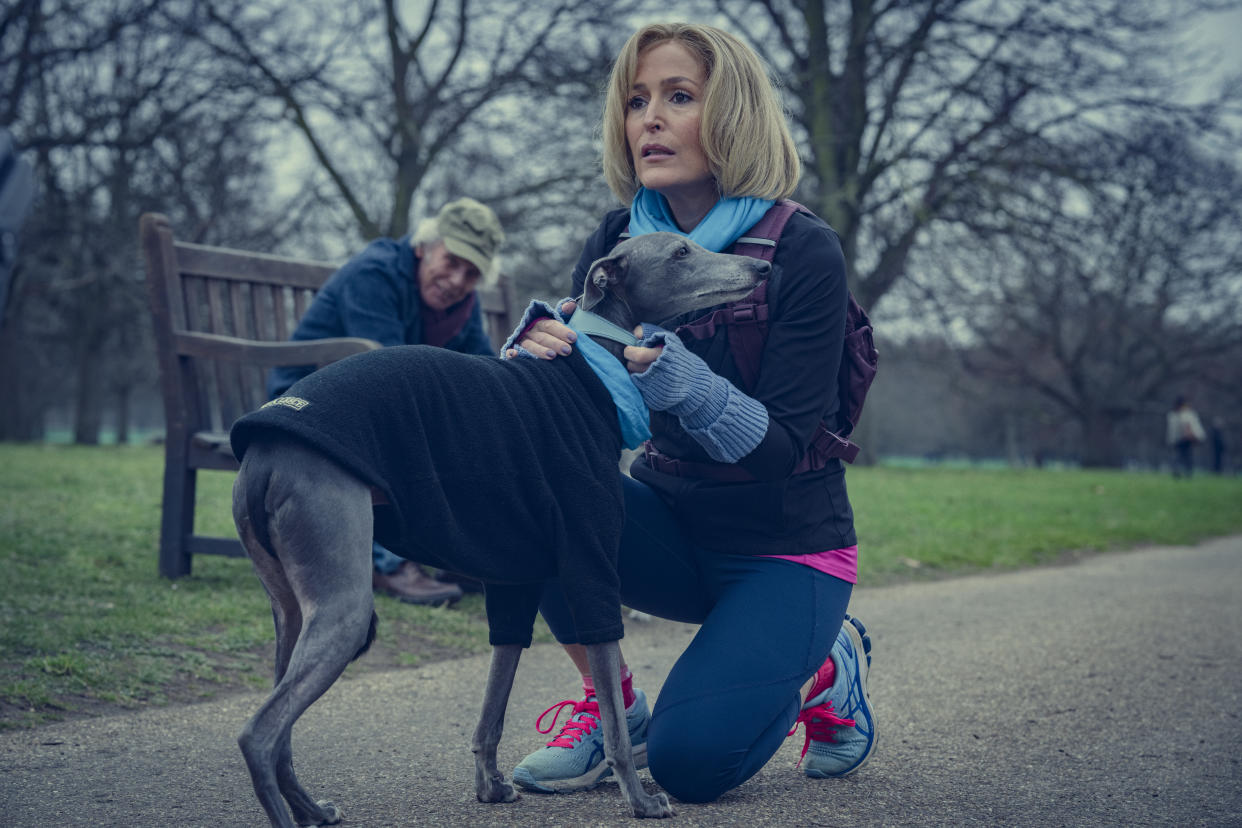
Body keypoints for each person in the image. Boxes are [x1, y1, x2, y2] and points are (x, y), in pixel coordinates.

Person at [500, 22, 875, 804]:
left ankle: (825, 664)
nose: (650, 119)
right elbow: (589, 411)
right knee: (535, 487)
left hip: (784, 548)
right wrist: (538, 358)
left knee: (692, 765)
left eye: (678, 97)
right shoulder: (616, 238)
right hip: (671, 527)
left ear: (732, 112)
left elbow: (777, 448)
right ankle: (616, 715)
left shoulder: (805, 250)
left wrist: (677, 380)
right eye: (637, 101)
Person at [268, 197, 504, 604]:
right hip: (304, 405)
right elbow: (382, 371)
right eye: (451, 261)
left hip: (375, 404)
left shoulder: (463, 305)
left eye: (472, 273)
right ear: (424, 247)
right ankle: (388, 562)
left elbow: (481, 373)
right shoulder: (374, 274)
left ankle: (460, 554)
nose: (456, 280)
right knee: (400, 422)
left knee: (482, 424)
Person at [1166, 395, 1206, 479]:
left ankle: (1183, 473)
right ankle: (1183, 473)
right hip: (1183, 439)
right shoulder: (1183, 414)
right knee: (1184, 457)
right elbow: (1187, 426)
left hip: (1181, 439)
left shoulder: (1175, 414)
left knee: (1182, 457)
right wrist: (1192, 436)